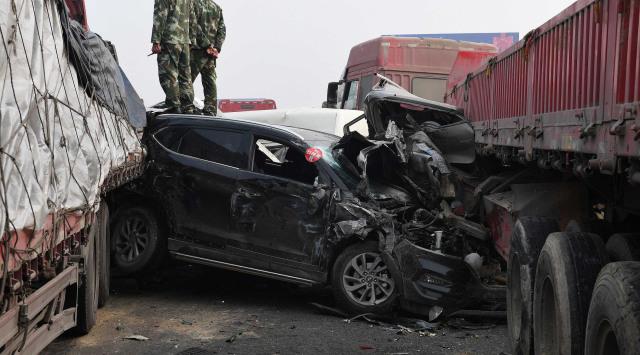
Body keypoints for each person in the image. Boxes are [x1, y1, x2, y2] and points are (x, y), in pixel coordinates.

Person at [151, 0, 196, 114]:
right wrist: (192, 40)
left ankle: (174, 106)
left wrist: (156, 41)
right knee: (185, 76)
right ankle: (188, 106)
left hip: (169, 40)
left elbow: (160, 17)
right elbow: (193, 18)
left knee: (168, 74)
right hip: (185, 41)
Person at [191, 0, 226, 116]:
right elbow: (222, 30)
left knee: (186, 81)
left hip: (196, 50)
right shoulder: (216, 7)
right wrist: (216, 48)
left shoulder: (193, 4)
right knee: (210, 82)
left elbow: (193, 26)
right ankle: (210, 111)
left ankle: (186, 107)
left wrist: (207, 46)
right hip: (210, 54)